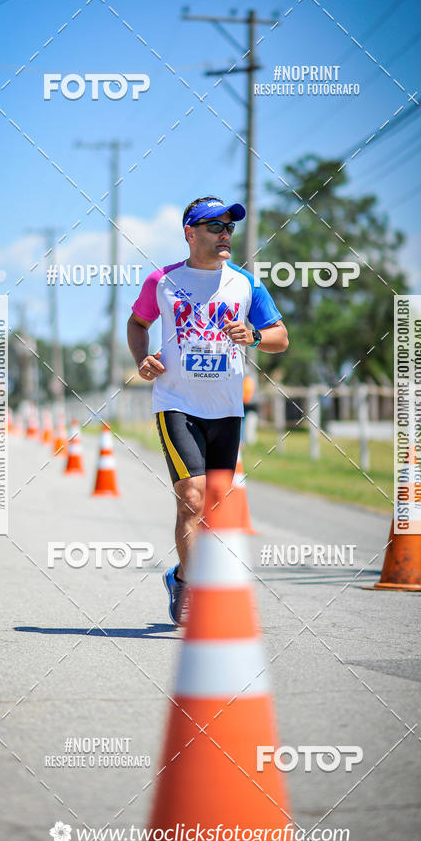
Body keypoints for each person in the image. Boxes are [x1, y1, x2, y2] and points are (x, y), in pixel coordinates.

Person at [127, 196, 288, 624]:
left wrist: (253, 336)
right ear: (190, 233)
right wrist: (142, 359)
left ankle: (181, 574)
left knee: (214, 510)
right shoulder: (161, 282)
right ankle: (193, 591)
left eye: (229, 227)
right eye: (215, 226)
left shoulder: (245, 284)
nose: (225, 234)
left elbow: (281, 337)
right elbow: (137, 324)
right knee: (191, 499)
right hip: (176, 403)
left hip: (226, 409)